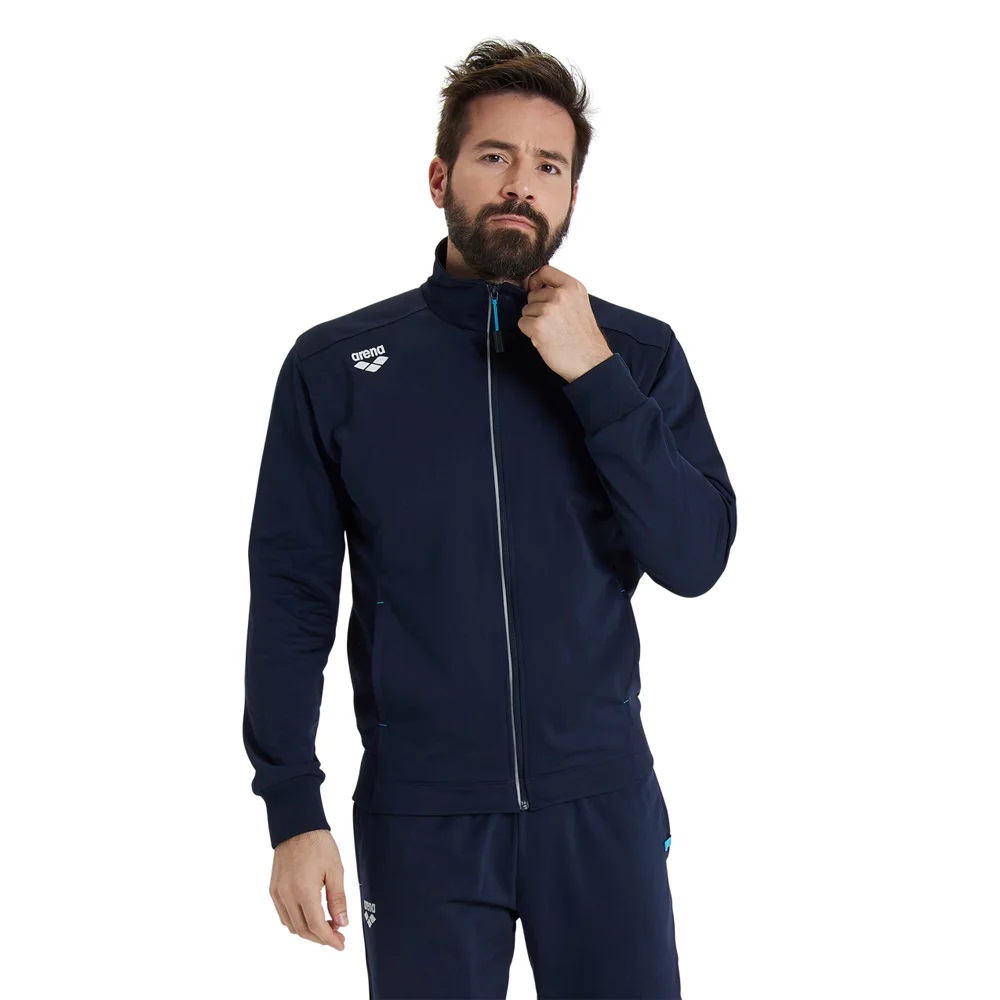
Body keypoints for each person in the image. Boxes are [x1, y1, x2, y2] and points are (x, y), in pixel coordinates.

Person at [243, 37, 736, 999]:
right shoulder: (337, 368)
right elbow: (292, 597)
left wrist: (593, 377)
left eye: (548, 165)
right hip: (421, 816)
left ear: (572, 196)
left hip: (601, 804)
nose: (520, 184)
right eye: (494, 156)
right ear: (441, 178)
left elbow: (696, 557)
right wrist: (292, 809)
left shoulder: (635, 357)